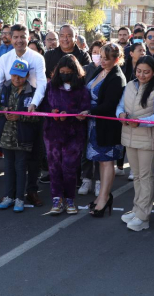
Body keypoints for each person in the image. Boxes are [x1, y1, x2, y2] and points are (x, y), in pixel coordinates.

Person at [0, 24, 47, 206]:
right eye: (16, 37)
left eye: (23, 36)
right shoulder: (5, 58)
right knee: (11, 161)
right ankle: (11, 194)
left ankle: (31, 191)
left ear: (28, 37)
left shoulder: (37, 58)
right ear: (10, 38)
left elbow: (42, 84)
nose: (19, 40)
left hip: (32, 107)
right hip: (9, 112)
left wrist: (34, 104)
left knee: (34, 155)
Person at [117, 55, 154, 231]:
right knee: (137, 176)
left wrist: (140, 121)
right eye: (139, 71)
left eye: (146, 72)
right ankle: (137, 209)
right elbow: (120, 106)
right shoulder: (130, 85)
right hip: (129, 136)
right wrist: (121, 115)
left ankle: (143, 217)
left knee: (146, 178)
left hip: (148, 139)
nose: (142, 75)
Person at [77, 43, 126, 217]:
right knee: (101, 161)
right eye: (101, 57)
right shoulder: (100, 71)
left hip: (107, 126)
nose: (103, 61)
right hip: (94, 124)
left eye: (107, 58)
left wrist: (90, 111)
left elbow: (110, 105)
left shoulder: (117, 77)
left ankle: (104, 198)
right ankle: (102, 197)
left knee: (107, 162)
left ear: (117, 59)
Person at [40, 55, 91, 215]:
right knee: (54, 167)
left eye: (68, 72)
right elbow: (44, 107)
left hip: (74, 134)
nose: (64, 75)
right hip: (52, 133)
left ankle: (70, 199)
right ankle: (57, 198)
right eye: (62, 72)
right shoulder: (50, 87)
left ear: (75, 72)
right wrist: (52, 113)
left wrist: (74, 114)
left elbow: (86, 108)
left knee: (69, 167)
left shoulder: (82, 90)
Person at [0, 60, 40, 213]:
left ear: (27, 75)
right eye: (14, 75)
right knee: (8, 167)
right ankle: (8, 196)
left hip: (23, 138)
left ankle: (20, 198)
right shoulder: (5, 87)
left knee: (20, 167)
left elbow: (37, 117)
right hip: (6, 136)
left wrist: (20, 117)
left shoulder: (32, 92)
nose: (16, 79)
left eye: (20, 76)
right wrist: (4, 110)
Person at [79, 39, 106, 195]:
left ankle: (98, 181)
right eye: (95, 53)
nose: (97, 56)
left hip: (101, 116)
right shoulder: (84, 70)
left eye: (100, 53)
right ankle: (86, 179)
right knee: (85, 149)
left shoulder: (109, 71)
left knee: (99, 150)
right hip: (85, 115)